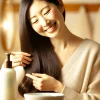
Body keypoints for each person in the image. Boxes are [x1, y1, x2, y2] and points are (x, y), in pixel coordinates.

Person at [1, 0, 100, 100]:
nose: (45, 23)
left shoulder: (93, 51)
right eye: (35, 21)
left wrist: (58, 88)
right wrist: (6, 70)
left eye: (46, 12)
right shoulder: (29, 58)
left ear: (60, 5)